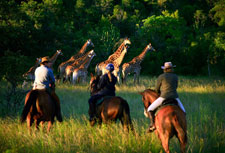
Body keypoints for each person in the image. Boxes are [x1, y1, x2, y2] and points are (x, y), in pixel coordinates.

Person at [147, 62, 186, 132]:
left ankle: (152, 125)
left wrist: (159, 92)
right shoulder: (175, 76)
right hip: (175, 97)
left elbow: (156, 89)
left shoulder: (161, 76)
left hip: (164, 97)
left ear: (165, 69)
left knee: (150, 109)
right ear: (172, 68)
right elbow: (175, 87)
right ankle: (184, 125)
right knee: (183, 111)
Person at [33, 56, 63, 122]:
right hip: (44, 88)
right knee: (56, 99)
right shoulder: (49, 70)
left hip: (35, 88)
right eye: (49, 62)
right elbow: (53, 80)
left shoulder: (37, 69)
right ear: (45, 63)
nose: (50, 64)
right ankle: (58, 115)